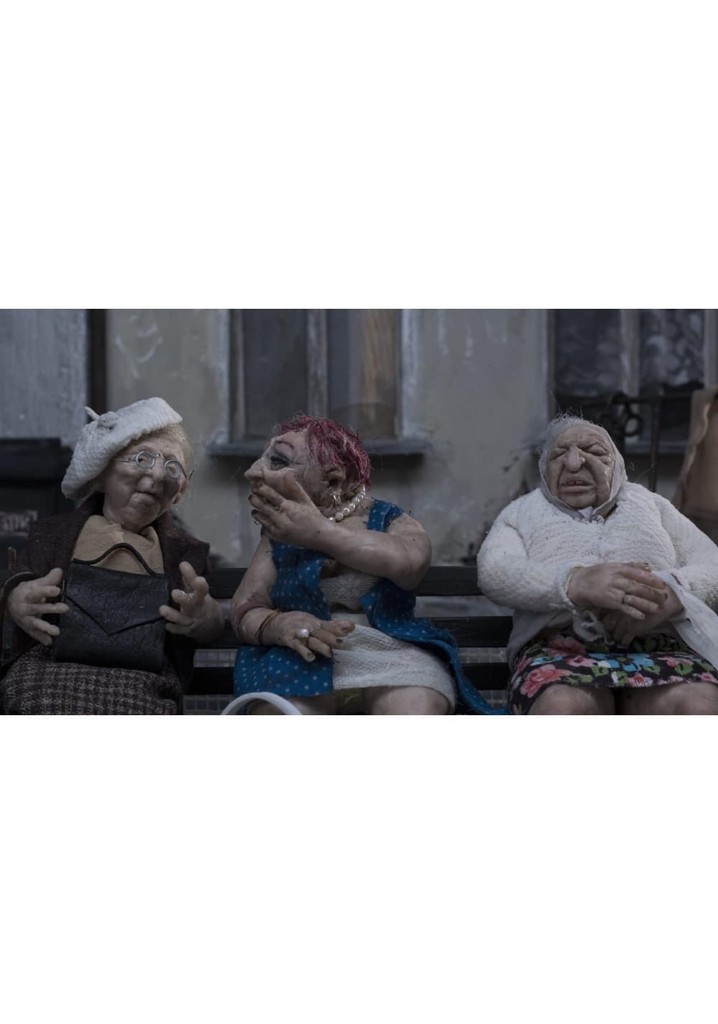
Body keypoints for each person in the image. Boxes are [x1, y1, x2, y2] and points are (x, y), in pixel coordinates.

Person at [230, 414, 500, 714]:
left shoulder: (386, 519)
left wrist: (321, 533)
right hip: (300, 657)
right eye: (262, 458)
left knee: (413, 704)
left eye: (278, 462)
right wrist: (278, 624)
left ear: (332, 479)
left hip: (389, 653)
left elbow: (410, 563)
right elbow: (247, 606)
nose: (254, 472)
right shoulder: (276, 534)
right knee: (283, 713)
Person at [477, 414, 718, 714]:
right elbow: (494, 570)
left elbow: (711, 562)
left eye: (594, 451)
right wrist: (573, 582)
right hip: (559, 650)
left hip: (660, 645)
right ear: (542, 468)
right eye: (558, 455)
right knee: (564, 707)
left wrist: (670, 595)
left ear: (616, 464)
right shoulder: (522, 512)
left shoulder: (652, 505)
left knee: (699, 705)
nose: (574, 463)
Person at [0, 398, 223, 714]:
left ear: (180, 490)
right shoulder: (53, 534)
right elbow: (20, 578)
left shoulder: (184, 553)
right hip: (50, 662)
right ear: (102, 473)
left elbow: (208, 619)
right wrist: (17, 598)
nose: (158, 474)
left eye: (172, 466)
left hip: (143, 674)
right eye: (142, 458)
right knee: (28, 691)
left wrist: (203, 616)